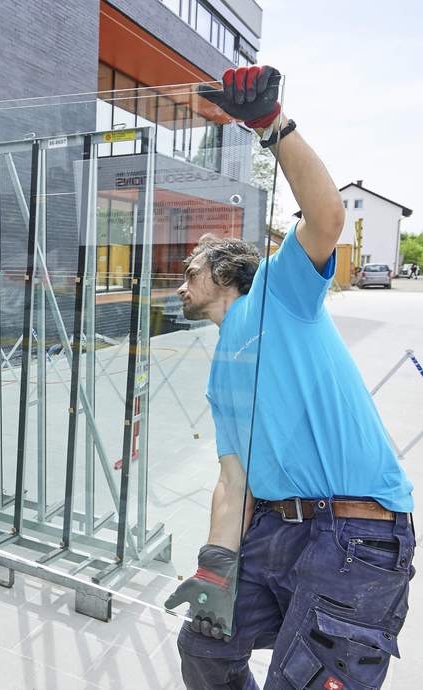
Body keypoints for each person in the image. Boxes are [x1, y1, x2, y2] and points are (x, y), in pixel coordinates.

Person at [164, 66, 415, 690]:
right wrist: (216, 568)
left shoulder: (280, 293)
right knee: (204, 647)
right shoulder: (222, 369)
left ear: (225, 272)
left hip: (351, 531)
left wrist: (272, 126)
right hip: (275, 529)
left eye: (191, 267)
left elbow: (327, 218)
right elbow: (232, 479)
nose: (180, 280)